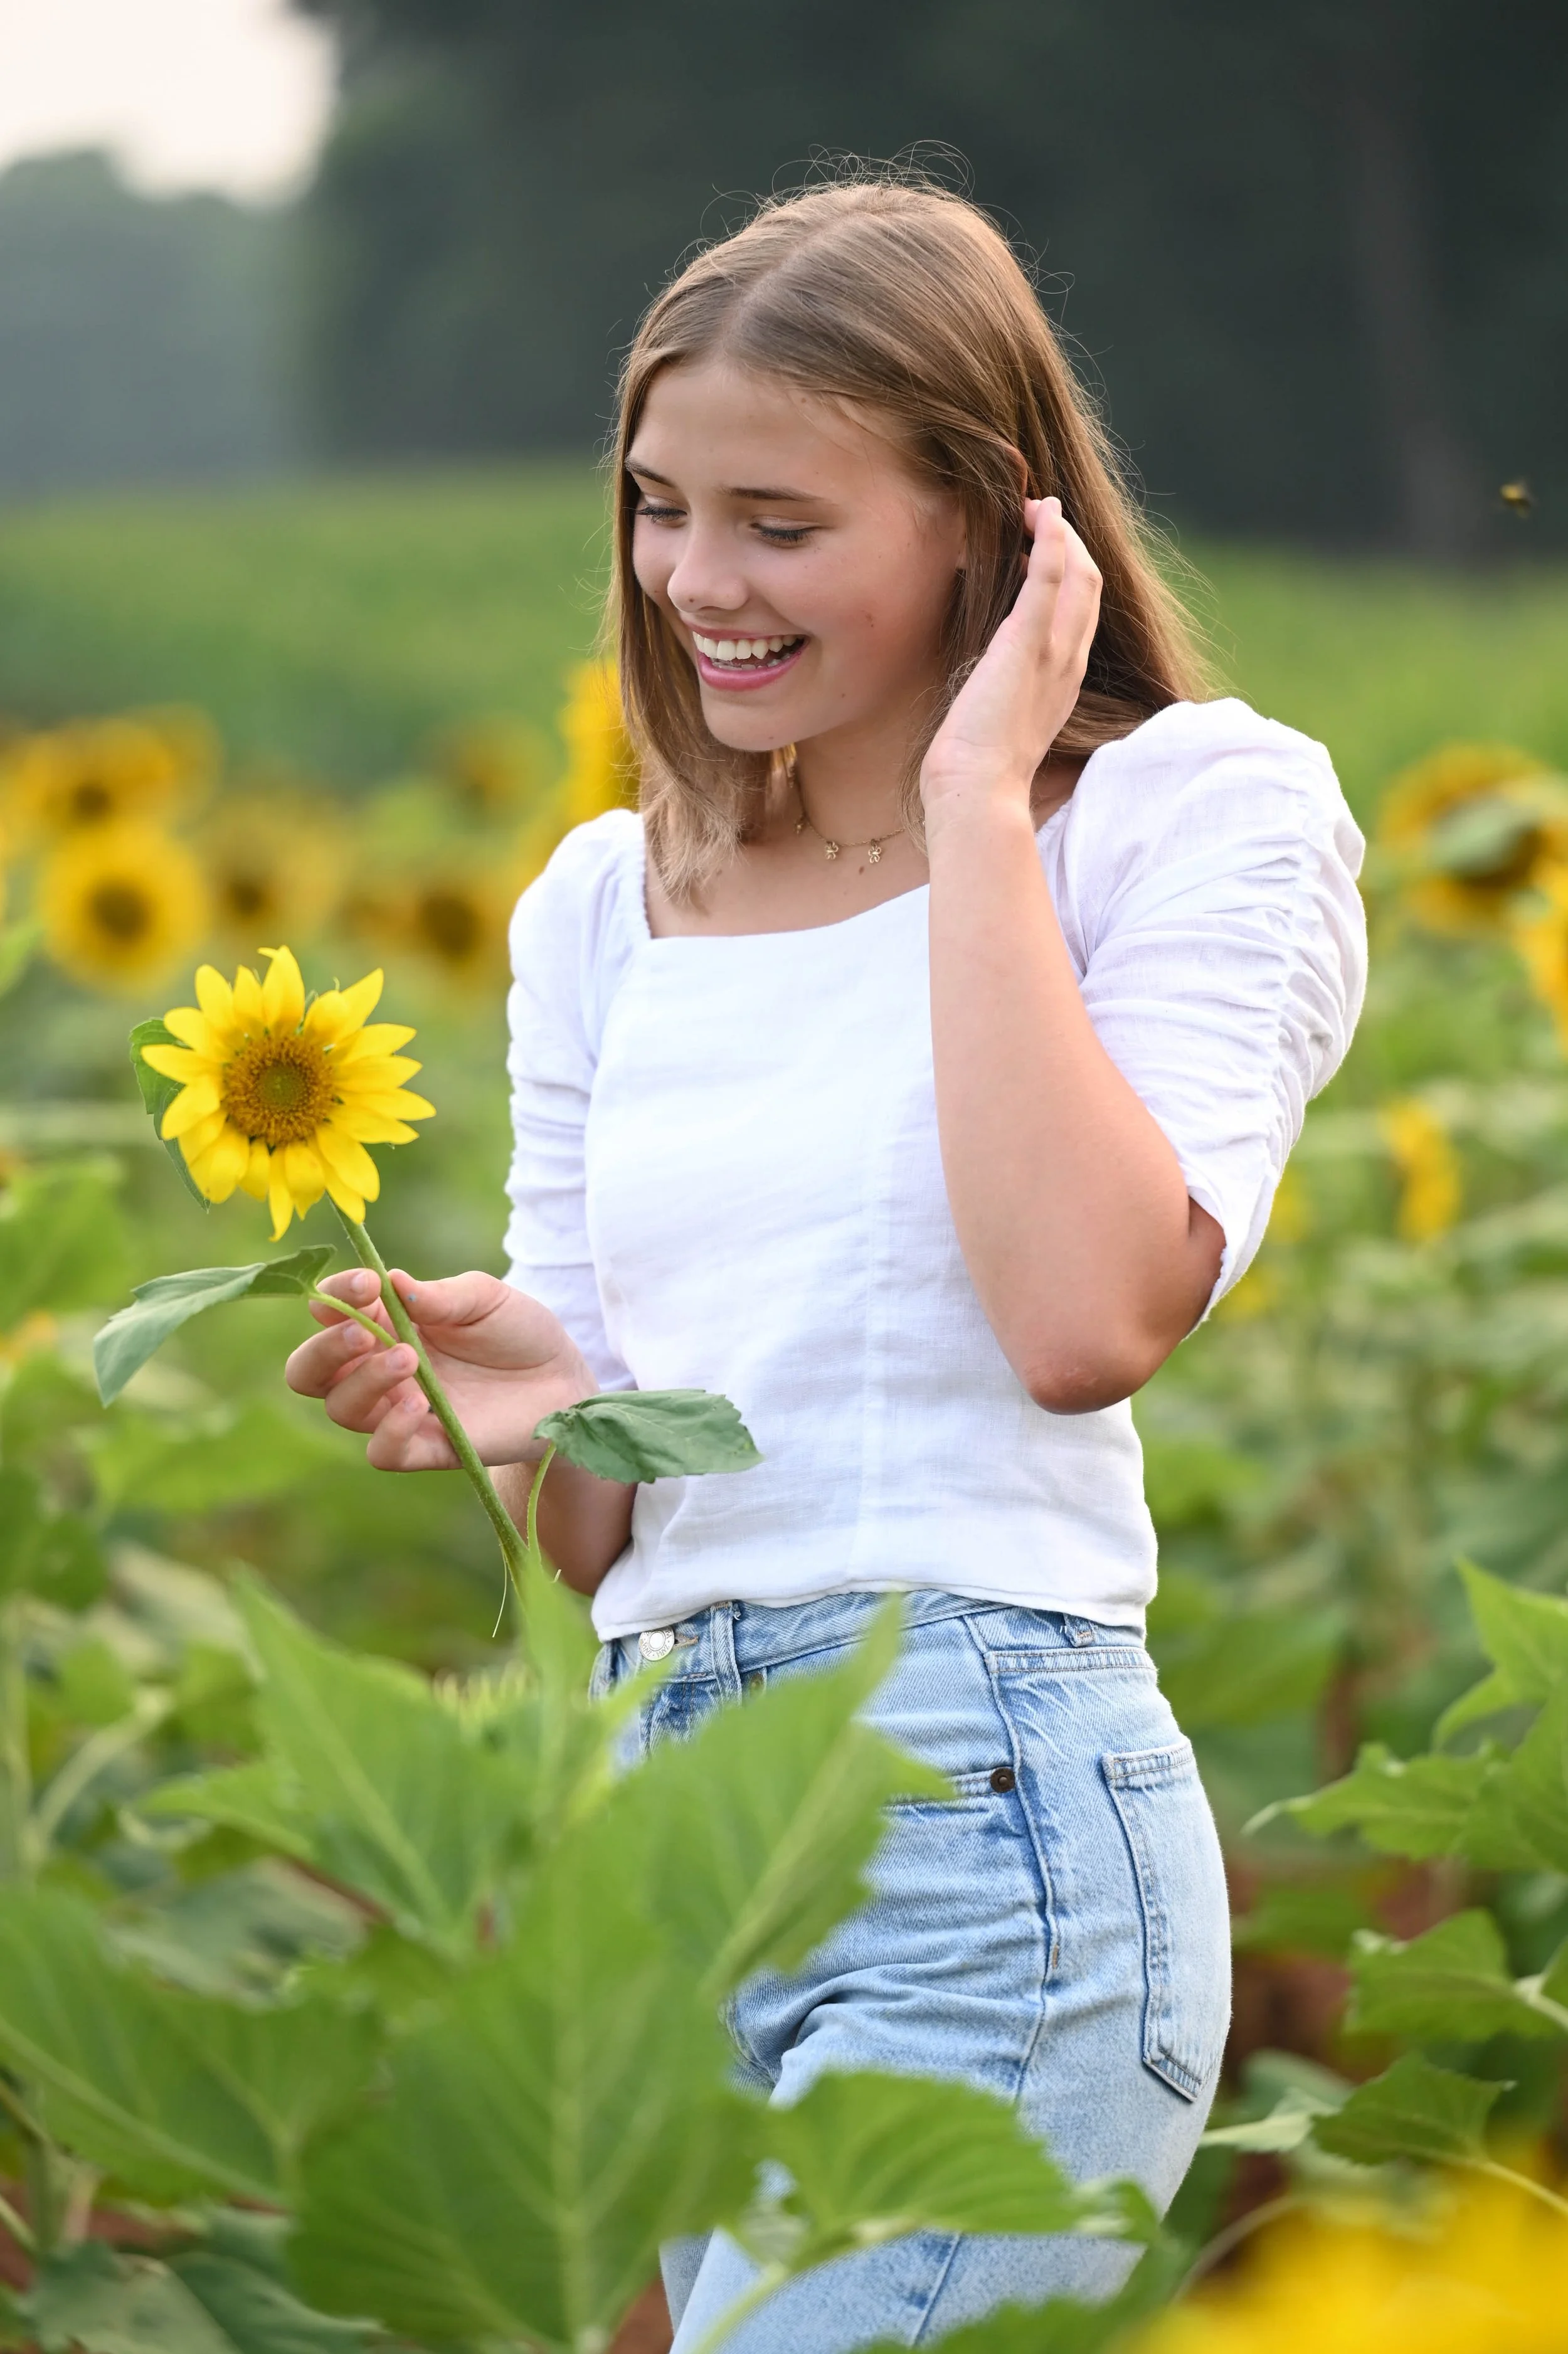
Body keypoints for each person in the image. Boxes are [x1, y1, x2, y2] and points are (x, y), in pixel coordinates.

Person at [285, 175, 1367, 2352]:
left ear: (983, 519)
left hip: (985, 1832)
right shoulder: (607, 902)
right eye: (659, 507)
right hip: (668, 1842)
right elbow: (611, 1537)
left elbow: (1081, 1321)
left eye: (779, 524)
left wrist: (975, 807)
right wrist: (538, 1399)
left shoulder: (1187, 818)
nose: (696, 581)